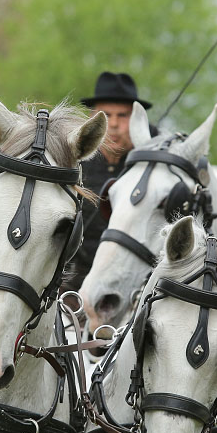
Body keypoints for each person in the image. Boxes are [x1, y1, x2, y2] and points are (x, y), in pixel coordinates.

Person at [67, 71, 155, 291]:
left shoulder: (154, 165)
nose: (114, 124)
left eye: (122, 115)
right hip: (76, 282)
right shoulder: (72, 161)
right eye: (106, 115)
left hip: (138, 284)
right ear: (92, 118)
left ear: (136, 120)